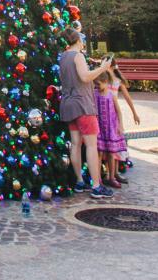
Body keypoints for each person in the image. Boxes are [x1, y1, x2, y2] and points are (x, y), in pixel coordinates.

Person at [57, 29, 114, 196]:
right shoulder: (78, 56)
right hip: (82, 104)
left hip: (68, 104)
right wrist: (102, 68)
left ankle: (79, 182)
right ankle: (96, 186)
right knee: (91, 145)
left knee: (75, 144)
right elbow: (85, 77)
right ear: (78, 40)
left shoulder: (63, 57)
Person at [95, 74, 128, 188]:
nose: (97, 86)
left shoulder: (111, 95)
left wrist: (120, 125)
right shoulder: (94, 94)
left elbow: (118, 111)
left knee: (111, 153)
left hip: (110, 128)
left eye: (98, 84)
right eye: (95, 84)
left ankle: (112, 178)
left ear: (105, 82)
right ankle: (98, 179)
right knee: (99, 153)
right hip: (99, 128)